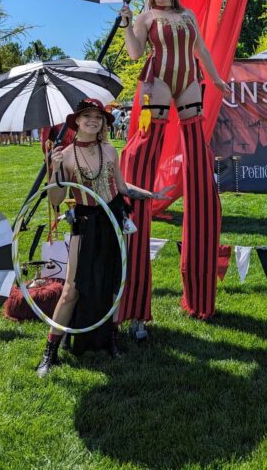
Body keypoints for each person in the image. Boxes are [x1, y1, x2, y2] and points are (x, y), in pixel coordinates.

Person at [118, 0, 230, 326]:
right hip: (158, 81)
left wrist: (215, 80)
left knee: (197, 146)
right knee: (148, 145)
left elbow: (201, 51)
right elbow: (136, 54)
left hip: (189, 81)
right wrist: (125, 24)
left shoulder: (188, 16)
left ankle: (199, 286)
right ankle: (131, 189)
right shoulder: (146, 18)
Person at [35, 98, 170, 378]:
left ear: (103, 123)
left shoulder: (109, 150)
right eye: (88, 116)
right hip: (84, 222)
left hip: (112, 220)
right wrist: (56, 169)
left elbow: (120, 187)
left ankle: (111, 339)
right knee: (71, 289)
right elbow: (56, 199)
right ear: (77, 122)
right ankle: (50, 352)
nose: (93, 121)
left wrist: (151, 194)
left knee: (112, 285)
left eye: (98, 117)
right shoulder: (66, 155)